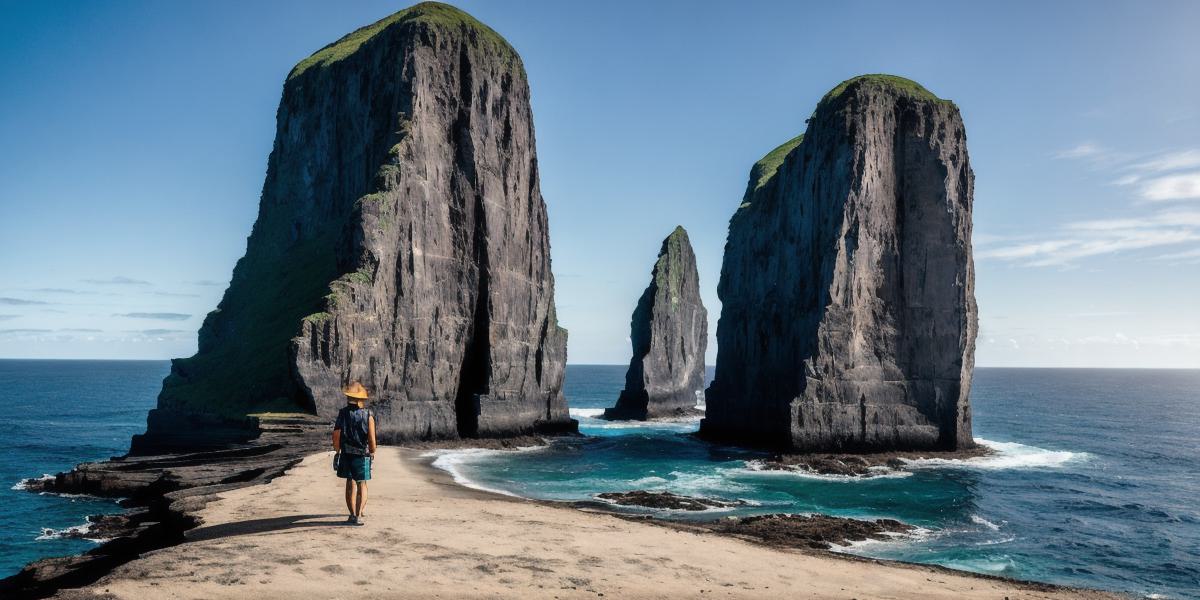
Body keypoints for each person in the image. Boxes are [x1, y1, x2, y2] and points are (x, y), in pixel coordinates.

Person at [332, 381, 376, 526]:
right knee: (362, 483)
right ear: (360, 399)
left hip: (346, 453)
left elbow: (336, 434)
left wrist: (337, 452)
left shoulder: (342, 413)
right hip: (362, 454)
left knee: (350, 484)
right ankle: (359, 515)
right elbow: (371, 438)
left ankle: (352, 514)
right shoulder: (368, 415)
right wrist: (373, 452)